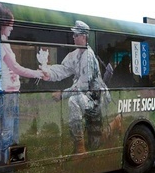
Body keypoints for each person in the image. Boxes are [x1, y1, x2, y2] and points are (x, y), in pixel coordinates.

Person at [42, 20, 111, 153]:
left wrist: (62, 94)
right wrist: (48, 73)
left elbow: (82, 86)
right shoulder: (75, 54)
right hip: (87, 99)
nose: (73, 37)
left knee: (74, 100)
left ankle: (81, 147)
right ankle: (81, 144)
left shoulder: (88, 56)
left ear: (84, 37)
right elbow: (63, 69)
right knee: (95, 143)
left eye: (76, 35)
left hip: (96, 100)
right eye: (73, 35)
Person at [0, 3, 44, 165]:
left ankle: (12, 164)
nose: (12, 29)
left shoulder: (2, 40)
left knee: (12, 132)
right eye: (11, 25)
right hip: (8, 93)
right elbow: (15, 68)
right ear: (4, 24)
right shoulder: (1, 41)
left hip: (11, 92)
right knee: (7, 132)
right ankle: (4, 166)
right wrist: (36, 73)